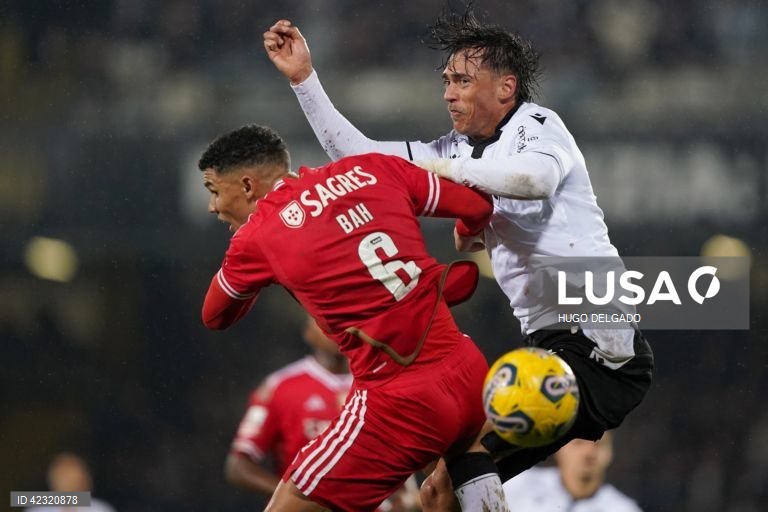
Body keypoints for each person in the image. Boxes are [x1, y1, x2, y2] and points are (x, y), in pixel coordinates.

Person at [264, 5, 654, 510]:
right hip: (551, 342)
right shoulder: (456, 148)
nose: (449, 92)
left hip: (599, 339)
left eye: (463, 81)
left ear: (505, 88)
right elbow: (358, 156)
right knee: (442, 488)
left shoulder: (537, 125)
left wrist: (440, 171)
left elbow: (536, 181)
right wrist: (304, 80)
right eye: (446, 80)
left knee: (447, 485)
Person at [199, 124, 501, 511]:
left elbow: (214, 316)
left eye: (213, 190)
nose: (212, 206)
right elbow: (476, 206)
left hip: (399, 400)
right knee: (439, 493)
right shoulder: (371, 168)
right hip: (467, 370)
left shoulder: (257, 236)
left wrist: (258, 277)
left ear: (246, 186)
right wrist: (465, 234)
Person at [226, 315, 352, 497]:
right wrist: (296, 498)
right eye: (324, 321)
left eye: (341, 320)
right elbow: (238, 466)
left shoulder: (379, 383)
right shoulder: (279, 387)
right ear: (308, 333)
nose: (336, 329)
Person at [502, 431, 643, 512]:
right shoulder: (515, 486)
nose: (589, 453)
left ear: (610, 453)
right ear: (559, 449)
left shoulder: (623, 509)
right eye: (579, 443)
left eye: (599, 444)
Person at [25, 452, 116, 512]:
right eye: (59, 475)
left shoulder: (99, 509)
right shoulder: (37, 509)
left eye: (68, 475)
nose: (64, 481)